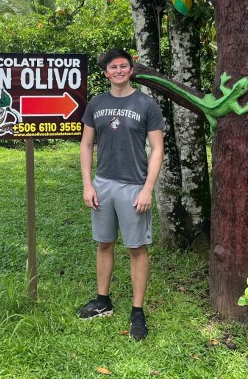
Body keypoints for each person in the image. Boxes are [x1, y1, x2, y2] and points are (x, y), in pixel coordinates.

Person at [78, 48, 164, 340]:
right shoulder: (96, 103)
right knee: (104, 243)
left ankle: (137, 311)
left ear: (131, 70)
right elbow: (86, 144)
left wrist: (148, 189)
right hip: (102, 184)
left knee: (136, 248)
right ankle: (103, 301)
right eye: (113, 67)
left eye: (123, 66)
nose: (118, 70)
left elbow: (157, 149)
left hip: (134, 186)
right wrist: (88, 184)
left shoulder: (146, 104)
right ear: (106, 73)